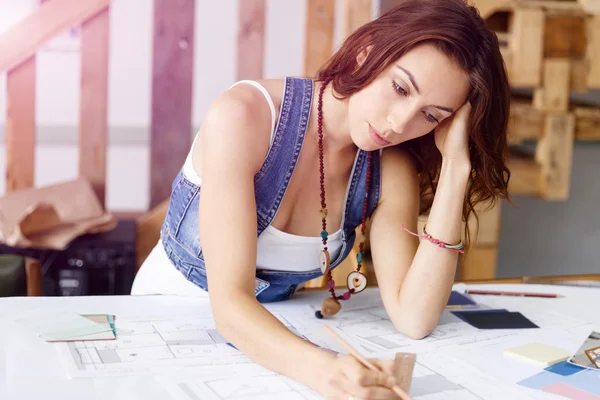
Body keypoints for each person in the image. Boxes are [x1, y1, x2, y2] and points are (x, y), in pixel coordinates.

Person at [132, 0, 511, 398]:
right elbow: (229, 304)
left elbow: (414, 318)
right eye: (400, 88)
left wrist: (455, 166)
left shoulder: (389, 168)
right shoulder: (245, 115)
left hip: (270, 341)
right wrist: (329, 373)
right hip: (163, 323)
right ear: (368, 51)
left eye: (431, 116)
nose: (400, 123)